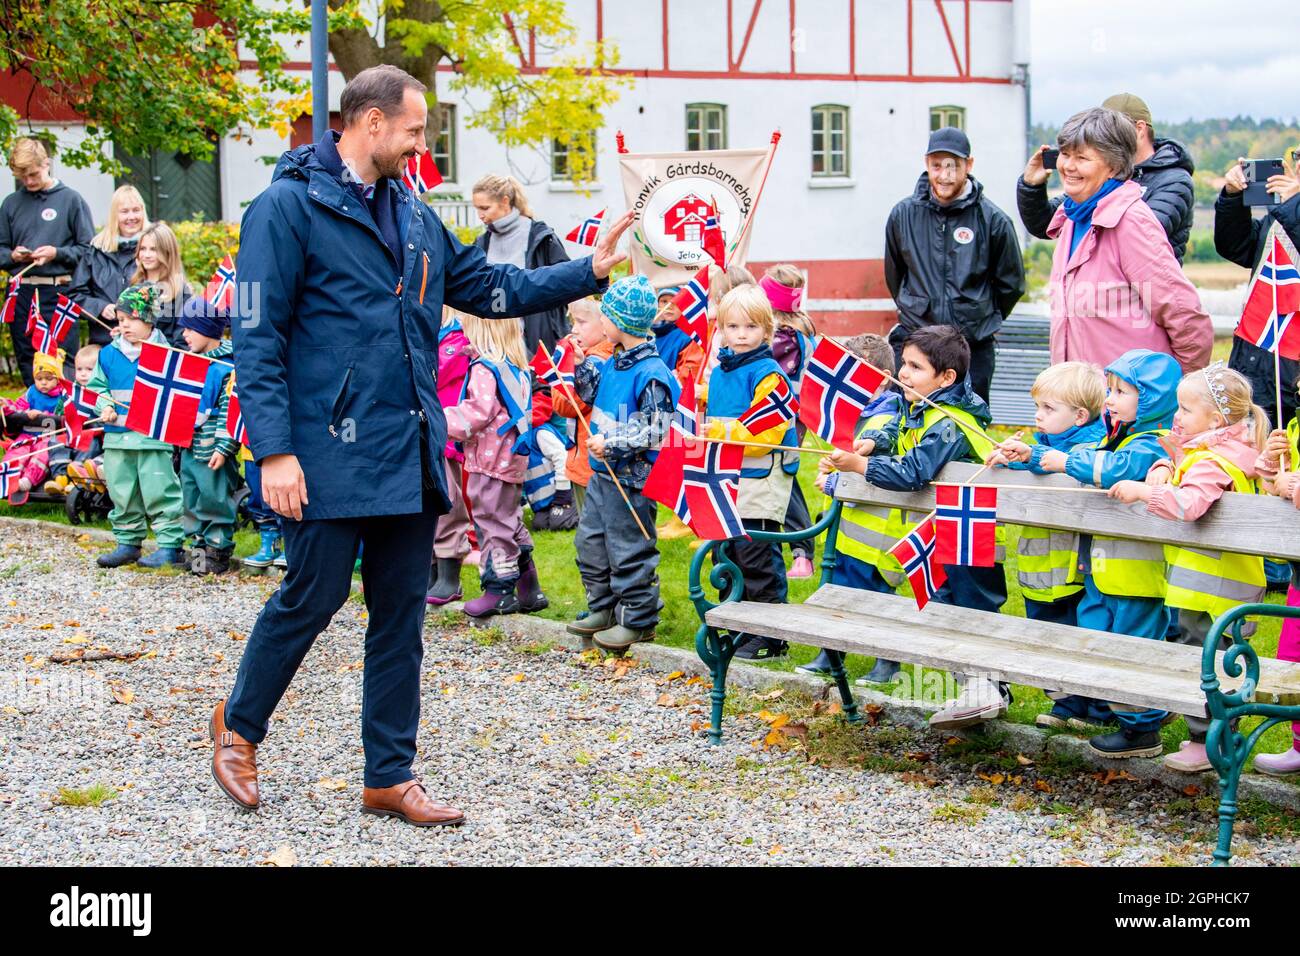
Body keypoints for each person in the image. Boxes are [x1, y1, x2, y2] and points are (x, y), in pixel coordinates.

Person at [215, 65, 626, 827]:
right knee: (312, 597)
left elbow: (490, 287)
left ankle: (389, 776)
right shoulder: (283, 209)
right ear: (369, 124)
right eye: (414, 130)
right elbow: (255, 335)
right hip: (324, 450)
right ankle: (239, 729)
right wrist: (273, 450)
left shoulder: (413, 213)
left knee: (400, 612)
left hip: (407, 450)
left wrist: (587, 270)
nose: (421, 144)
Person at [826, 326, 1005, 725]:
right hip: (951, 530)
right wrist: (874, 443)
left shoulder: (950, 420)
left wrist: (861, 466)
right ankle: (979, 690)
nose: (903, 373)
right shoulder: (922, 406)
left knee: (970, 612)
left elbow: (914, 471)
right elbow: (900, 430)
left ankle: (987, 687)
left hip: (973, 534)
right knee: (946, 607)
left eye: (914, 367)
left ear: (946, 379)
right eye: (903, 363)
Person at [1019, 349, 1181, 750]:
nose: (1109, 399)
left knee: (1131, 647)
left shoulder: (1152, 445)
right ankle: (1102, 708)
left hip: (1139, 575)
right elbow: (1088, 457)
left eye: (1121, 391)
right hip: (1101, 569)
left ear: (1151, 399)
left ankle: (1143, 725)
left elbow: (1111, 469)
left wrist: (1053, 459)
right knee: (1095, 637)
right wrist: (1033, 455)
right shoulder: (1117, 436)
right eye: (1109, 389)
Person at [1109, 364, 1268, 771]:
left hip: (1214, 588)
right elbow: (1183, 476)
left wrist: (1145, 491)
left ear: (1215, 420)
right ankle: (1213, 737)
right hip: (1211, 585)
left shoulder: (1212, 461)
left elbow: (1190, 504)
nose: (1176, 417)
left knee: (1207, 661)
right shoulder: (1215, 453)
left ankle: (1208, 741)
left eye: (1184, 409)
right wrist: (1165, 466)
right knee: (1205, 657)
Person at [1043, 107, 1212, 374]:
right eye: (1065, 154)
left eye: (1082, 158)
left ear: (1113, 167)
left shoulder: (1131, 222)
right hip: (1081, 403)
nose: (1068, 166)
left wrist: (1173, 395)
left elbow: (1185, 317)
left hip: (1130, 407)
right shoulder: (1073, 217)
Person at [565, 275, 679, 653]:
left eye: (606, 316)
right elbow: (589, 394)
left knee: (629, 549)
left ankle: (638, 619)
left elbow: (656, 427)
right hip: (601, 477)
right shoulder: (613, 363)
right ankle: (603, 608)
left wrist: (611, 443)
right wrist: (582, 366)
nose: (602, 322)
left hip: (630, 480)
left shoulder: (652, 373)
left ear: (622, 322)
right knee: (591, 544)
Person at [884, 127, 1025, 403]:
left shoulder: (993, 220)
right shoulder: (903, 215)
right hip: (917, 343)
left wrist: (976, 316)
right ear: (927, 164)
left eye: (952, 165)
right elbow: (894, 275)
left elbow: (1011, 284)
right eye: (936, 165)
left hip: (972, 348)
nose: (943, 175)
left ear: (968, 165)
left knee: (967, 427)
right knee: (907, 423)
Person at [705, 284, 800, 660]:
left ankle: (770, 634)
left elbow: (764, 435)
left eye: (750, 327)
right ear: (722, 330)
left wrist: (716, 431)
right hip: (726, 477)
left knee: (756, 555)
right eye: (732, 327)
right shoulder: (721, 371)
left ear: (767, 330)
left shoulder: (769, 375)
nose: (741, 335)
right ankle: (736, 622)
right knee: (725, 553)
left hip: (760, 479)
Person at [805, 332, 905, 679]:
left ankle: (886, 662)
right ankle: (830, 654)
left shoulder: (888, 420)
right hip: (849, 527)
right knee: (838, 591)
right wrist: (830, 469)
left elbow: (879, 473)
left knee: (877, 597)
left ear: (881, 382)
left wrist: (835, 481)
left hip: (878, 533)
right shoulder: (855, 417)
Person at [445, 310, 548, 618]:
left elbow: (477, 412)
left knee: (491, 523)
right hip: (511, 461)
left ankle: (498, 590)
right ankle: (530, 588)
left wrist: (438, 419)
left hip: (490, 461)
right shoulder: (515, 367)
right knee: (510, 521)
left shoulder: (484, 369)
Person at [986, 362, 1106, 628]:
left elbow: (1066, 463)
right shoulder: (1042, 445)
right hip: (1039, 577)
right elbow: (1037, 457)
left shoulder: (1092, 450)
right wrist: (1012, 458)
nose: (1038, 415)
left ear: (1080, 416)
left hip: (1075, 577)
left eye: (1049, 408)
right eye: (1038, 406)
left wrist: (1027, 456)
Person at [1018, 93, 1196, 262]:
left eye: (1112, 130)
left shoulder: (1174, 180)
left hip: (1143, 290)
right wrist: (1032, 186)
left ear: (1139, 129)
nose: (1103, 138)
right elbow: (1046, 224)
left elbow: (1137, 239)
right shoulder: (1104, 174)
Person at [88, 284, 187, 569]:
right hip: (117, 438)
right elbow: (98, 387)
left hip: (152, 437)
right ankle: (128, 542)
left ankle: (170, 545)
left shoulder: (164, 353)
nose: (125, 325)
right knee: (122, 490)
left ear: (149, 320)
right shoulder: (107, 354)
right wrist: (103, 406)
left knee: (160, 488)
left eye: (131, 319)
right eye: (121, 320)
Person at [1213, 154, 1300, 432]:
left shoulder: (1291, 210)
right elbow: (1236, 246)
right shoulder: (1286, 213)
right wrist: (1232, 199)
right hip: (1257, 355)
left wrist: (1294, 205)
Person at [0, 137, 95, 385]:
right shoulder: (11, 203)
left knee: (63, 357)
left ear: (47, 163)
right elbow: (0, 250)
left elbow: (88, 250)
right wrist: (12, 256)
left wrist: (57, 253)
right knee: (27, 358)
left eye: (33, 174)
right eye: (23, 178)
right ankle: (32, 415)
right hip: (22, 293)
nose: (29, 182)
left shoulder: (71, 200)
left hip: (59, 290)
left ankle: (66, 416)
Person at [1253, 390, 1300, 775]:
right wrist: (1272, 468)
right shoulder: (1296, 428)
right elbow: (1273, 487)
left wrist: (1294, 487)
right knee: (1292, 658)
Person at [472, 174, 573, 353]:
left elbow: (565, 283)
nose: (480, 215)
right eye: (477, 208)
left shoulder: (541, 238)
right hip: (495, 345)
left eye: (485, 208)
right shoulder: (481, 243)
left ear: (505, 201)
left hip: (538, 343)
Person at [762, 264, 818, 578]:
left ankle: (802, 552)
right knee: (781, 477)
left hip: (783, 418)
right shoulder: (801, 327)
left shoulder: (782, 338)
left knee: (785, 478)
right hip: (793, 416)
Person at [179, 297, 240, 576]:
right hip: (189, 445)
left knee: (215, 497)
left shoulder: (227, 368)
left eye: (190, 328)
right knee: (191, 496)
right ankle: (199, 545)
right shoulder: (188, 363)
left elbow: (231, 409)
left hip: (213, 448)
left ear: (207, 329)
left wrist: (224, 446)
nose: (184, 334)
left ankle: (218, 547)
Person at [426, 308, 473, 606]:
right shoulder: (433, 337)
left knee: (449, 505)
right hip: (427, 434)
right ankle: (430, 570)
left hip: (446, 437)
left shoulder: (456, 340)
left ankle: (450, 575)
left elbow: (435, 371)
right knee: (429, 505)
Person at [551, 296, 615, 515]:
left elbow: (565, 405)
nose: (574, 330)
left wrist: (562, 370)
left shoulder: (593, 362)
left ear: (605, 325)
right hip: (597, 460)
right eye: (572, 323)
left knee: (592, 530)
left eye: (582, 322)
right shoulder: (610, 356)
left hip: (590, 463)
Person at [68, 184, 150, 346]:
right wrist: (99, 307)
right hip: (105, 340)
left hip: (147, 342)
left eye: (136, 210)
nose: (131, 217)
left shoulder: (156, 247)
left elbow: (170, 290)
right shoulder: (96, 250)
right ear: (114, 215)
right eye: (124, 211)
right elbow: (75, 296)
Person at [1, 349, 68, 503]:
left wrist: (44, 414)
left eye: (48, 378)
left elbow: (66, 415)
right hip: (28, 435)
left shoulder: (63, 396)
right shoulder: (31, 392)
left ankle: (27, 481)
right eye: (39, 379)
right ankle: (10, 477)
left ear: (57, 378)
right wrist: (6, 405)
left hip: (48, 436)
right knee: (18, 450)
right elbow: (17, 407)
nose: (43, 382)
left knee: (42, 454)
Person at [46, 343, 104, 495]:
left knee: (89, 443)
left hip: (92, 435)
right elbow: (60, 410)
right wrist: (61, 413)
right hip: (72, 432)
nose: (83, 374)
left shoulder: (103, 393)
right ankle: (60, 478)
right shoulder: (72, 391)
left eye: (89, 369)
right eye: (79, 369)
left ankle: (77, 479)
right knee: (56, 441)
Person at [129, 222, 191, 349]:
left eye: (153, 249)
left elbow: (182, 341)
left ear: (167, 252)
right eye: (142, 249)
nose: (146, 255)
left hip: (162, 362)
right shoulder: (134, 287)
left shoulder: (180, 291)